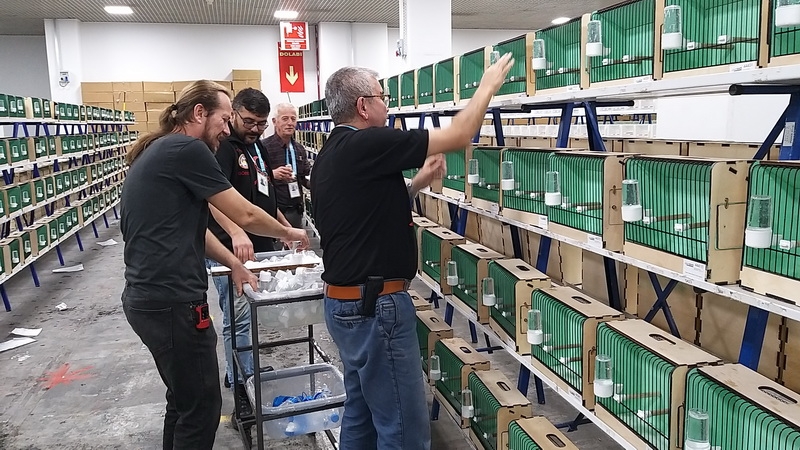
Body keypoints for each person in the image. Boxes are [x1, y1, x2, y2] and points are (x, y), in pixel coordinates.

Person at [310, 54, 514, 450]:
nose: (388, 106)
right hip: (376, 309)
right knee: (403, 430)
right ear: (363, 106)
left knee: (362, 417)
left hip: (344, 305)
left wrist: (416, 184)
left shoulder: (332, 153)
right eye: (382, 97)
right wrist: (486, 86)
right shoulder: (368, 142)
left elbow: (364, 214)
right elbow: (459, 134)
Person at [120, 80, 309, 450]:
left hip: (150, 300)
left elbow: (193, 225)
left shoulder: (164, 149)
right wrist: (290, 232)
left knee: (184, 400)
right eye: (224, 119)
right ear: (199, 113)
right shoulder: (187, 149)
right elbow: (245, 214)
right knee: (203, 408)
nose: (226, 129)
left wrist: (232, 263)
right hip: (172, 302)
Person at [205, 88, 293, 425]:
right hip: (230, 251)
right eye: (248, 121)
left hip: (259, 249)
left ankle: (245, 369)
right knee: (238, 318)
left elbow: (264, 197)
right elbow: (211, 198)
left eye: (260, 123)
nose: (255, 128)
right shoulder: (224, 148)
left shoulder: (257, 147)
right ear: (234, 114)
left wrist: (285, 229)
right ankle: (242, 386)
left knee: (250, 317)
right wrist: (236, 232)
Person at [262, 103, 312, 228]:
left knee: (296, 239)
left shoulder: (299, 149)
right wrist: (272, 174)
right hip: (273, 211)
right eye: (285, 119)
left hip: (296, 210)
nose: (290, 123)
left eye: (293, 119)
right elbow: (253, 177)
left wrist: (319, 182)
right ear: (274, 121)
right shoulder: (263, 147)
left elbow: (305, 177)